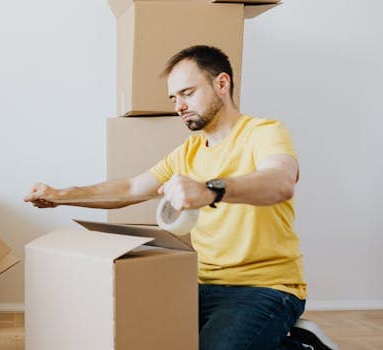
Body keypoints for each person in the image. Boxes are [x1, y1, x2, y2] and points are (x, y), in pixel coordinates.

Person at [24, 45, 336, 350]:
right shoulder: (186, 153)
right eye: (174, 98)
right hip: (198, 283)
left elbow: (280, 181)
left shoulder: (263, 132)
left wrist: (211, 189)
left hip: (265, 286)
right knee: (139, 335)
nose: (178, 106)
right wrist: (61, 195)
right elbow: (130, 188)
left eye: (187, 93)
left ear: (221, 84)